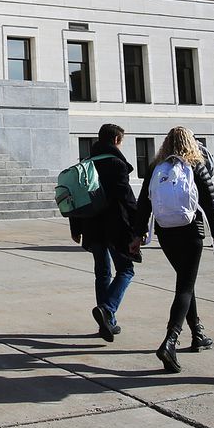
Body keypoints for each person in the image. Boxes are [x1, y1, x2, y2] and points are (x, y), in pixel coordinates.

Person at [131, 126, 214, 372]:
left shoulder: (155, 168)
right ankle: (170, 341)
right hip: (191, 232)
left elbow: (143, 203)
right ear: (191, 143)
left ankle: (197, 334)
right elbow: (210, 200)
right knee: (185, 286)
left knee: (186, 282)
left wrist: (138, 234)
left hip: (166, 232)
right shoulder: (195, 165)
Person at [68, 123, 138, 342]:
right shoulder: (117, 164)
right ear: (116, 140)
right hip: (116, 226)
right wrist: (139, 227)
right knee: (126, 269)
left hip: (92, 226)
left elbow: (76, 198)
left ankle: (107, 325)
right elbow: (127, 199)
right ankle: (108, 310)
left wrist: (76, 228)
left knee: (102, 273)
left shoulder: (85, 164)